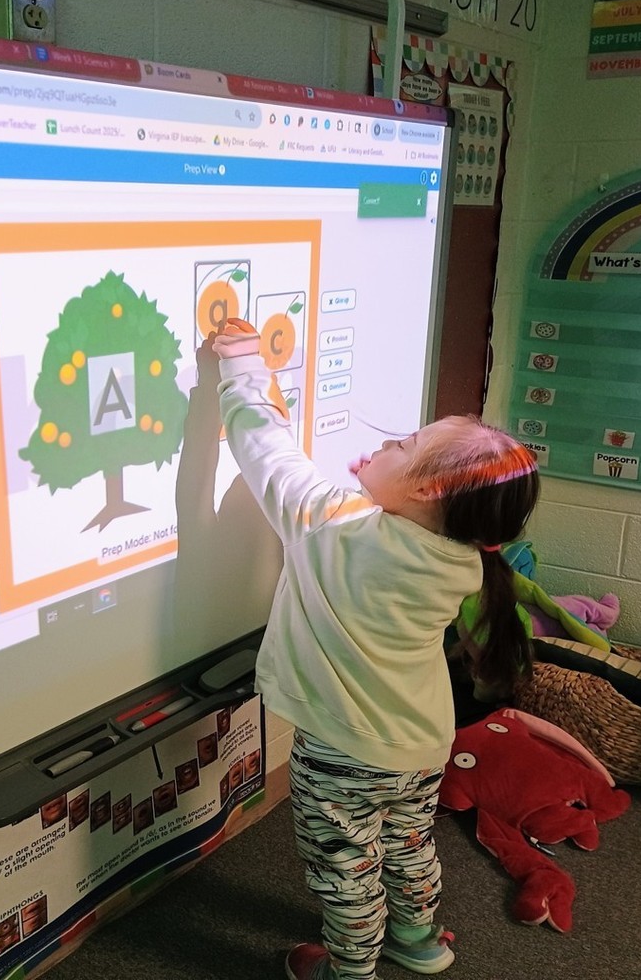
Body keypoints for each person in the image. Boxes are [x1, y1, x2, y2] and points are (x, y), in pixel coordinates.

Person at [209, 322, 539, 979]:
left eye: (403, 445)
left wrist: (242, 367)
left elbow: (265, 449)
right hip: (417, 741)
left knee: (346, 867)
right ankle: (417, 939)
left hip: (345, 751)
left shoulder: (338, 527)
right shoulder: (461, 559)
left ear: (424, 492)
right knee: (407, 843)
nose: (384, 443)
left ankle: (350, 970)